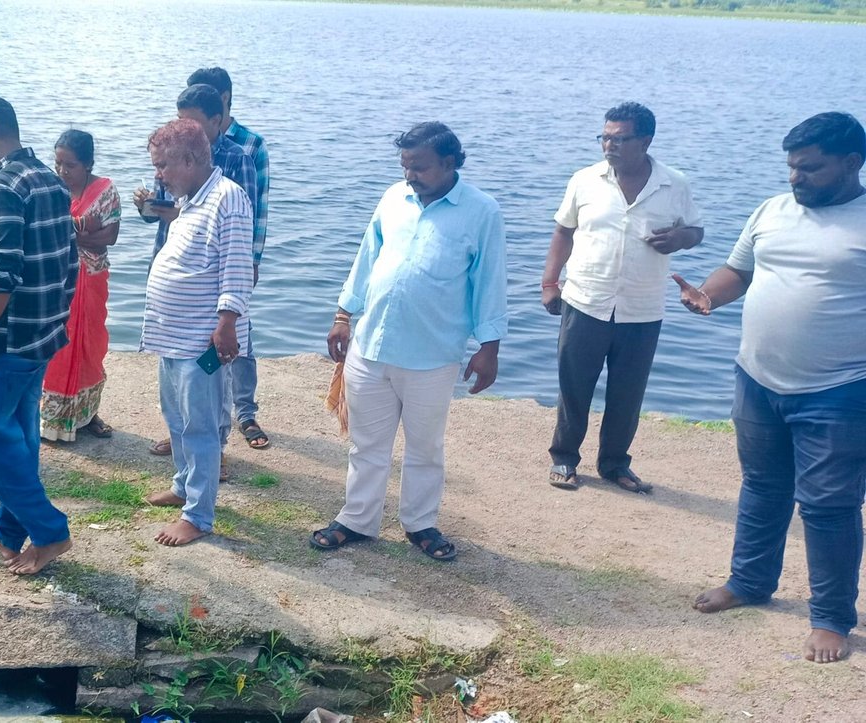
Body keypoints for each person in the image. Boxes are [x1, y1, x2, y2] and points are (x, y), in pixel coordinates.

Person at [677, 112, 866, 664]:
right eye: (791, 166)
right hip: (758, 379)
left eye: (810, 168)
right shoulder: (771, 210)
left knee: (828, 506)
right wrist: (709, 295)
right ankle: (750, 582)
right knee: (762, 486)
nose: (795, 178)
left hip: (839, 389)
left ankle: (831, 619)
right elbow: (740, 271)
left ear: (852, 163)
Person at [315, 122, 507, 563]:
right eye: (404, 166)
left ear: (449, 162)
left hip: (432, 356)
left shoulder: (482, 212)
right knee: (366, 445)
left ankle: (420, 523)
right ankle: (357, 519)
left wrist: (489, 347)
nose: (409, 175)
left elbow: (490, 282)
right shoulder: (393, 198)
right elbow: (367, 257)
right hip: (371, 347)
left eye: (419, 167)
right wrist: (343, 315)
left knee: (425, 448)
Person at [541, 102, 704, 493]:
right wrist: (550, 283)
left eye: (619, 139)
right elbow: (563, 231)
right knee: (574, 385)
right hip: (585, 299)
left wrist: (680, 238)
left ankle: (615, 464)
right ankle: (564, 458)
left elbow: (696, 231)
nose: (608, 146)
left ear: (645, 141)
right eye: (604, 137)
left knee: (628, 393)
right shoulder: (585, 180)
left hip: (642, 308)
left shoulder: (674, 184)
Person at [0, 95, 78, 575]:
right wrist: (56, 319)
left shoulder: (3, 186)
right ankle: (8, 531)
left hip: (5, 340)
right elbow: (69, 261)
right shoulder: (50, 178)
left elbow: (1, 272)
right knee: (19, 436)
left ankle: (50, 531)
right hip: (41, 334)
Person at [138, 119, 255, 547]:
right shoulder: (191, 201)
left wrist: (227, 323)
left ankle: (198, 516)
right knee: (176, 418)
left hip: (202, 342)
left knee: (201, 425)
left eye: (163, 165)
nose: (158, 175)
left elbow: (237, 266)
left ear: (189, 160)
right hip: (174, 337)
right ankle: (184, 485)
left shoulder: (228, 198)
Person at [188, 66, 273, 452]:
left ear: (222, 102)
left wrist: (251, 261)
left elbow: (257, 207)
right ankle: (199, 422)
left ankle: (244, 411)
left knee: (238, 335)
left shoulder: (248, 147)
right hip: (196, 262)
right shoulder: (184, 144)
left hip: (234, 257)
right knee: (200, 345)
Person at [40, 130, 121, 442]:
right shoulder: (52, 188)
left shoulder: (105, 191)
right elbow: (45, 232)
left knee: (90, 345)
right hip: (57, 281)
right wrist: (83, 229)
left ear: (87, 164)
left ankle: (87, 415)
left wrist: (69, 232)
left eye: (70, 165)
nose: (62, 171)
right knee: (57, 346)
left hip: (92, 279)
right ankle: (50, 420)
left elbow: (109, 237)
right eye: (58, 163)